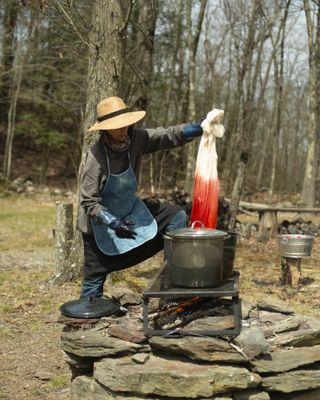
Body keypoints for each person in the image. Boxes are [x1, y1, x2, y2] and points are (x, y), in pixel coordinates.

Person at [77, 96, 206, 298]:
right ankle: (89, 307)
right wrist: (111, 221)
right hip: (99, 223)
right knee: (93, 281)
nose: (123, 130)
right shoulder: (96, 156)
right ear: (105, 128)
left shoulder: (136, 139)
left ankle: (175, 279)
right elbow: (88, 200)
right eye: (117, 126)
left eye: (126, 125)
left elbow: (166, 135)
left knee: (175, 215)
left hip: (129, 211)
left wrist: (196, 128)